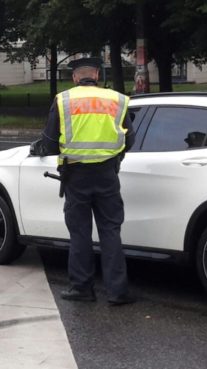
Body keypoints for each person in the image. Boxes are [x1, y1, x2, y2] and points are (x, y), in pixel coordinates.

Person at [30, 57, 136, 305]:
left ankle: (82, 289)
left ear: (75, 77)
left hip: (75, 175)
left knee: (80, 232)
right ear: (97, 75)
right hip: (108, 174)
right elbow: (129, 140)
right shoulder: (117, 100)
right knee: (111, 231)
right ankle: (118, 292)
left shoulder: (63, 100)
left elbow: (50, 143)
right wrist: (113, 156)